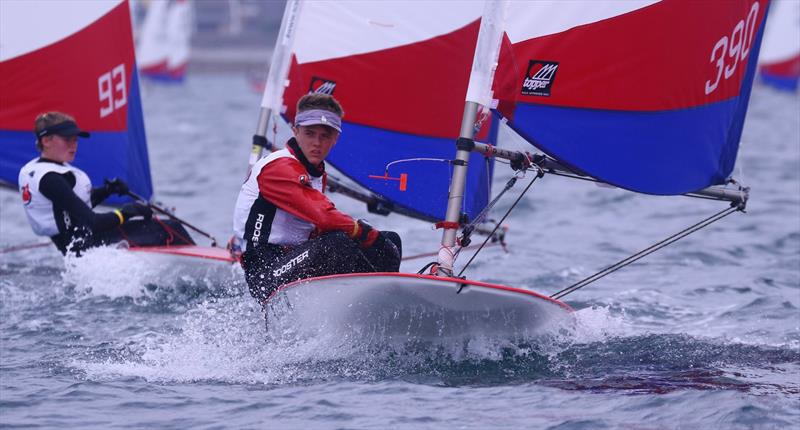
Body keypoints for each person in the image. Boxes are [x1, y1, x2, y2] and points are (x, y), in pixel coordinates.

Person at [232, 93, 402, 305]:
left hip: (294, 259)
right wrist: (365, 233)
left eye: (325, 136)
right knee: (340, 243)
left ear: (335, 139)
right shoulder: (279, 167)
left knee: (390, 241)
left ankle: (380, 306)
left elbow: (319, 227)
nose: (317, 143)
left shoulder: (316, 172)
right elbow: (324, 216)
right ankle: (346, 307)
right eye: (310, 133)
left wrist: (374, 241)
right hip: (265, 273)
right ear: (295, 131)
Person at [18, 111, 194, 256]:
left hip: (79, 246)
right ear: (46, 140)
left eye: (76, 139)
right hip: (88, 245)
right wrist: (128, 211)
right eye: (67, 139)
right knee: (169, 228)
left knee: (160, 227)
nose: (74, 145)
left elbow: (70, 210)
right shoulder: (51, 179)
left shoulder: (38, 170)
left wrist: (107, 191)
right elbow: (93, 222)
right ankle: (208, 266)